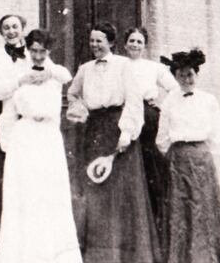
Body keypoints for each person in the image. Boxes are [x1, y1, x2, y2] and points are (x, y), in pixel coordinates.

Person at [66, 22, 158, 263]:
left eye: (99, 40)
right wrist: (79, 108)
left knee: (121, 192)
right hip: (95, 131)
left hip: (118, 129)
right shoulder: (85, 69)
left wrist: (127, 132)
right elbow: (72, 93)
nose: (95, 45)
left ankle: (126, 255)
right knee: (96, 189)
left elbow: (134, 100)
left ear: (111, 42)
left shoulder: (124, 65)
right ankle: (99, 254)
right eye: (92, 40)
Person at [0, 29, 82, 263]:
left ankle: (51, 253)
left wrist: (48, 73)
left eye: (43, 51)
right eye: (34, 51)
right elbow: (5, 106)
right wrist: (20, 80)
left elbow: (67, 76)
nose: (38, 56)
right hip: (25, 136)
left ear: (49, 51)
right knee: (26, 193)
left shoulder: (55, 73)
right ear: (27, 49)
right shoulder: (20, 73)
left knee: (49, 192)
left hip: (48, 136)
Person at [156, 49, 220, 263]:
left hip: (201, 161)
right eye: (181, 75)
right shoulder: (169, 101)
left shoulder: (209, 100)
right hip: (178, 161)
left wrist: (203, 157)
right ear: (175, 77)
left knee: (202, 208)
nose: (186, 80)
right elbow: (162, 137)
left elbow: (217, 136)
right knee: (180, 210)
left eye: (190, 74)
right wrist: (176, 155)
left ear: (196, 75)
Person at [0, 14, 46, 244]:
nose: (11, 31)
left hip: (28, 118)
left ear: (22, 29)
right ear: (0, 32)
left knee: (28, 177)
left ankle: (29, 238)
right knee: (1, 178)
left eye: (15, 27)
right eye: (6, 28)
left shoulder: (34, 54)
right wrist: (19, 82)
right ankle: (5, 241)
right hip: (1, 117)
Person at [123, 27, 178, 234]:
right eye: (131, 41)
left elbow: (175, 88)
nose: (135, 45)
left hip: (148, 118)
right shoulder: (119, 65)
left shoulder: (153, 67)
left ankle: (155, 224)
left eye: (139, 41)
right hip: (125, 116)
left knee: (150, 167)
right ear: (125, 44)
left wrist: (160, 103)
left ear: (145, 46)